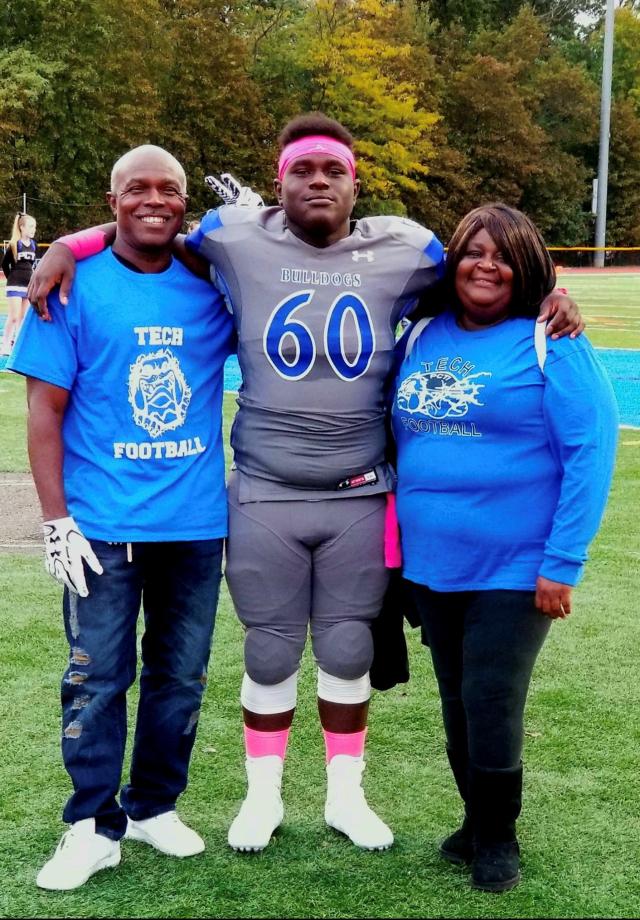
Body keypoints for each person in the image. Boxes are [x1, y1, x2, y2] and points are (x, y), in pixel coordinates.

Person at [27, 113, 584, 857]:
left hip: (358, 490)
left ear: (356, 183)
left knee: (350, 648)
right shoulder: (234, 234)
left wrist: (556, 292)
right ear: (279, 181)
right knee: (267, 650)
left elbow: (484, 268)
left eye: (333, 171)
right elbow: (145, 228)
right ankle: (261, 798)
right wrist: (68, 243)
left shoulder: (405, 247)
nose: (317, 182)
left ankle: (345, 797)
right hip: (265, 487)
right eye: (302, 171)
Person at [7, 145, 235, 890]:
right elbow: (44, 410)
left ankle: (153, 807)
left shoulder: (210, 281)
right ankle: (92, 823)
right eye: (136, 189)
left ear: (183, 204)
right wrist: (54, 520)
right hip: (102, 524)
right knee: (96, 677)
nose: (154, 200)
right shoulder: (73, 286)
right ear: (112, 202)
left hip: (196, 523)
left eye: (168, 189)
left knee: (181, 677)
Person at [390, 203, 618, 892]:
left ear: (527, 267)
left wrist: (562, 564)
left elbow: (590, 451)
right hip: (432, 563)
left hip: (516, 567)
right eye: (473, 251)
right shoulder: (420, 332)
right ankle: (474, 821)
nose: (486, 265)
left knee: (491, 698)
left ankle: (500, 841)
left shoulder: (552, 337)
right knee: (456, 701)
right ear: (453, 260)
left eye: (504, 254)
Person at [1, 212, 40, 355]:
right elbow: (5, 264)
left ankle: (17, 343)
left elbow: (32, 266)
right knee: (14, 316)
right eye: (30, 226)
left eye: (34, 227)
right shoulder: (14, 244)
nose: (33, 229)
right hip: (14, 284)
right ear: (22, 227)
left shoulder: (34, 245)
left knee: (23, 317)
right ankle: (5, 345)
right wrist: (11, 278)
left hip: (27, 285)